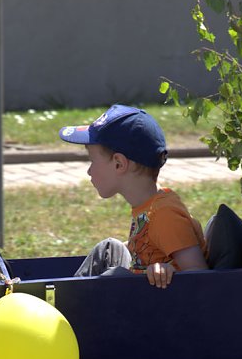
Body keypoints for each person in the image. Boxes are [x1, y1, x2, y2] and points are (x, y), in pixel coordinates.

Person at [60, 104, 209, 287]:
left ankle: (68, 305)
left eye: (92, 161)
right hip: (142, 292)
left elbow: (200, 276)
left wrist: (170, 271)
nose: (89, 171)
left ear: (119, 164)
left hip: (157, 307)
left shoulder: (164, 215)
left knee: (116, 275)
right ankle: (69, 297)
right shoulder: (148, 204)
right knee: (109, 247)